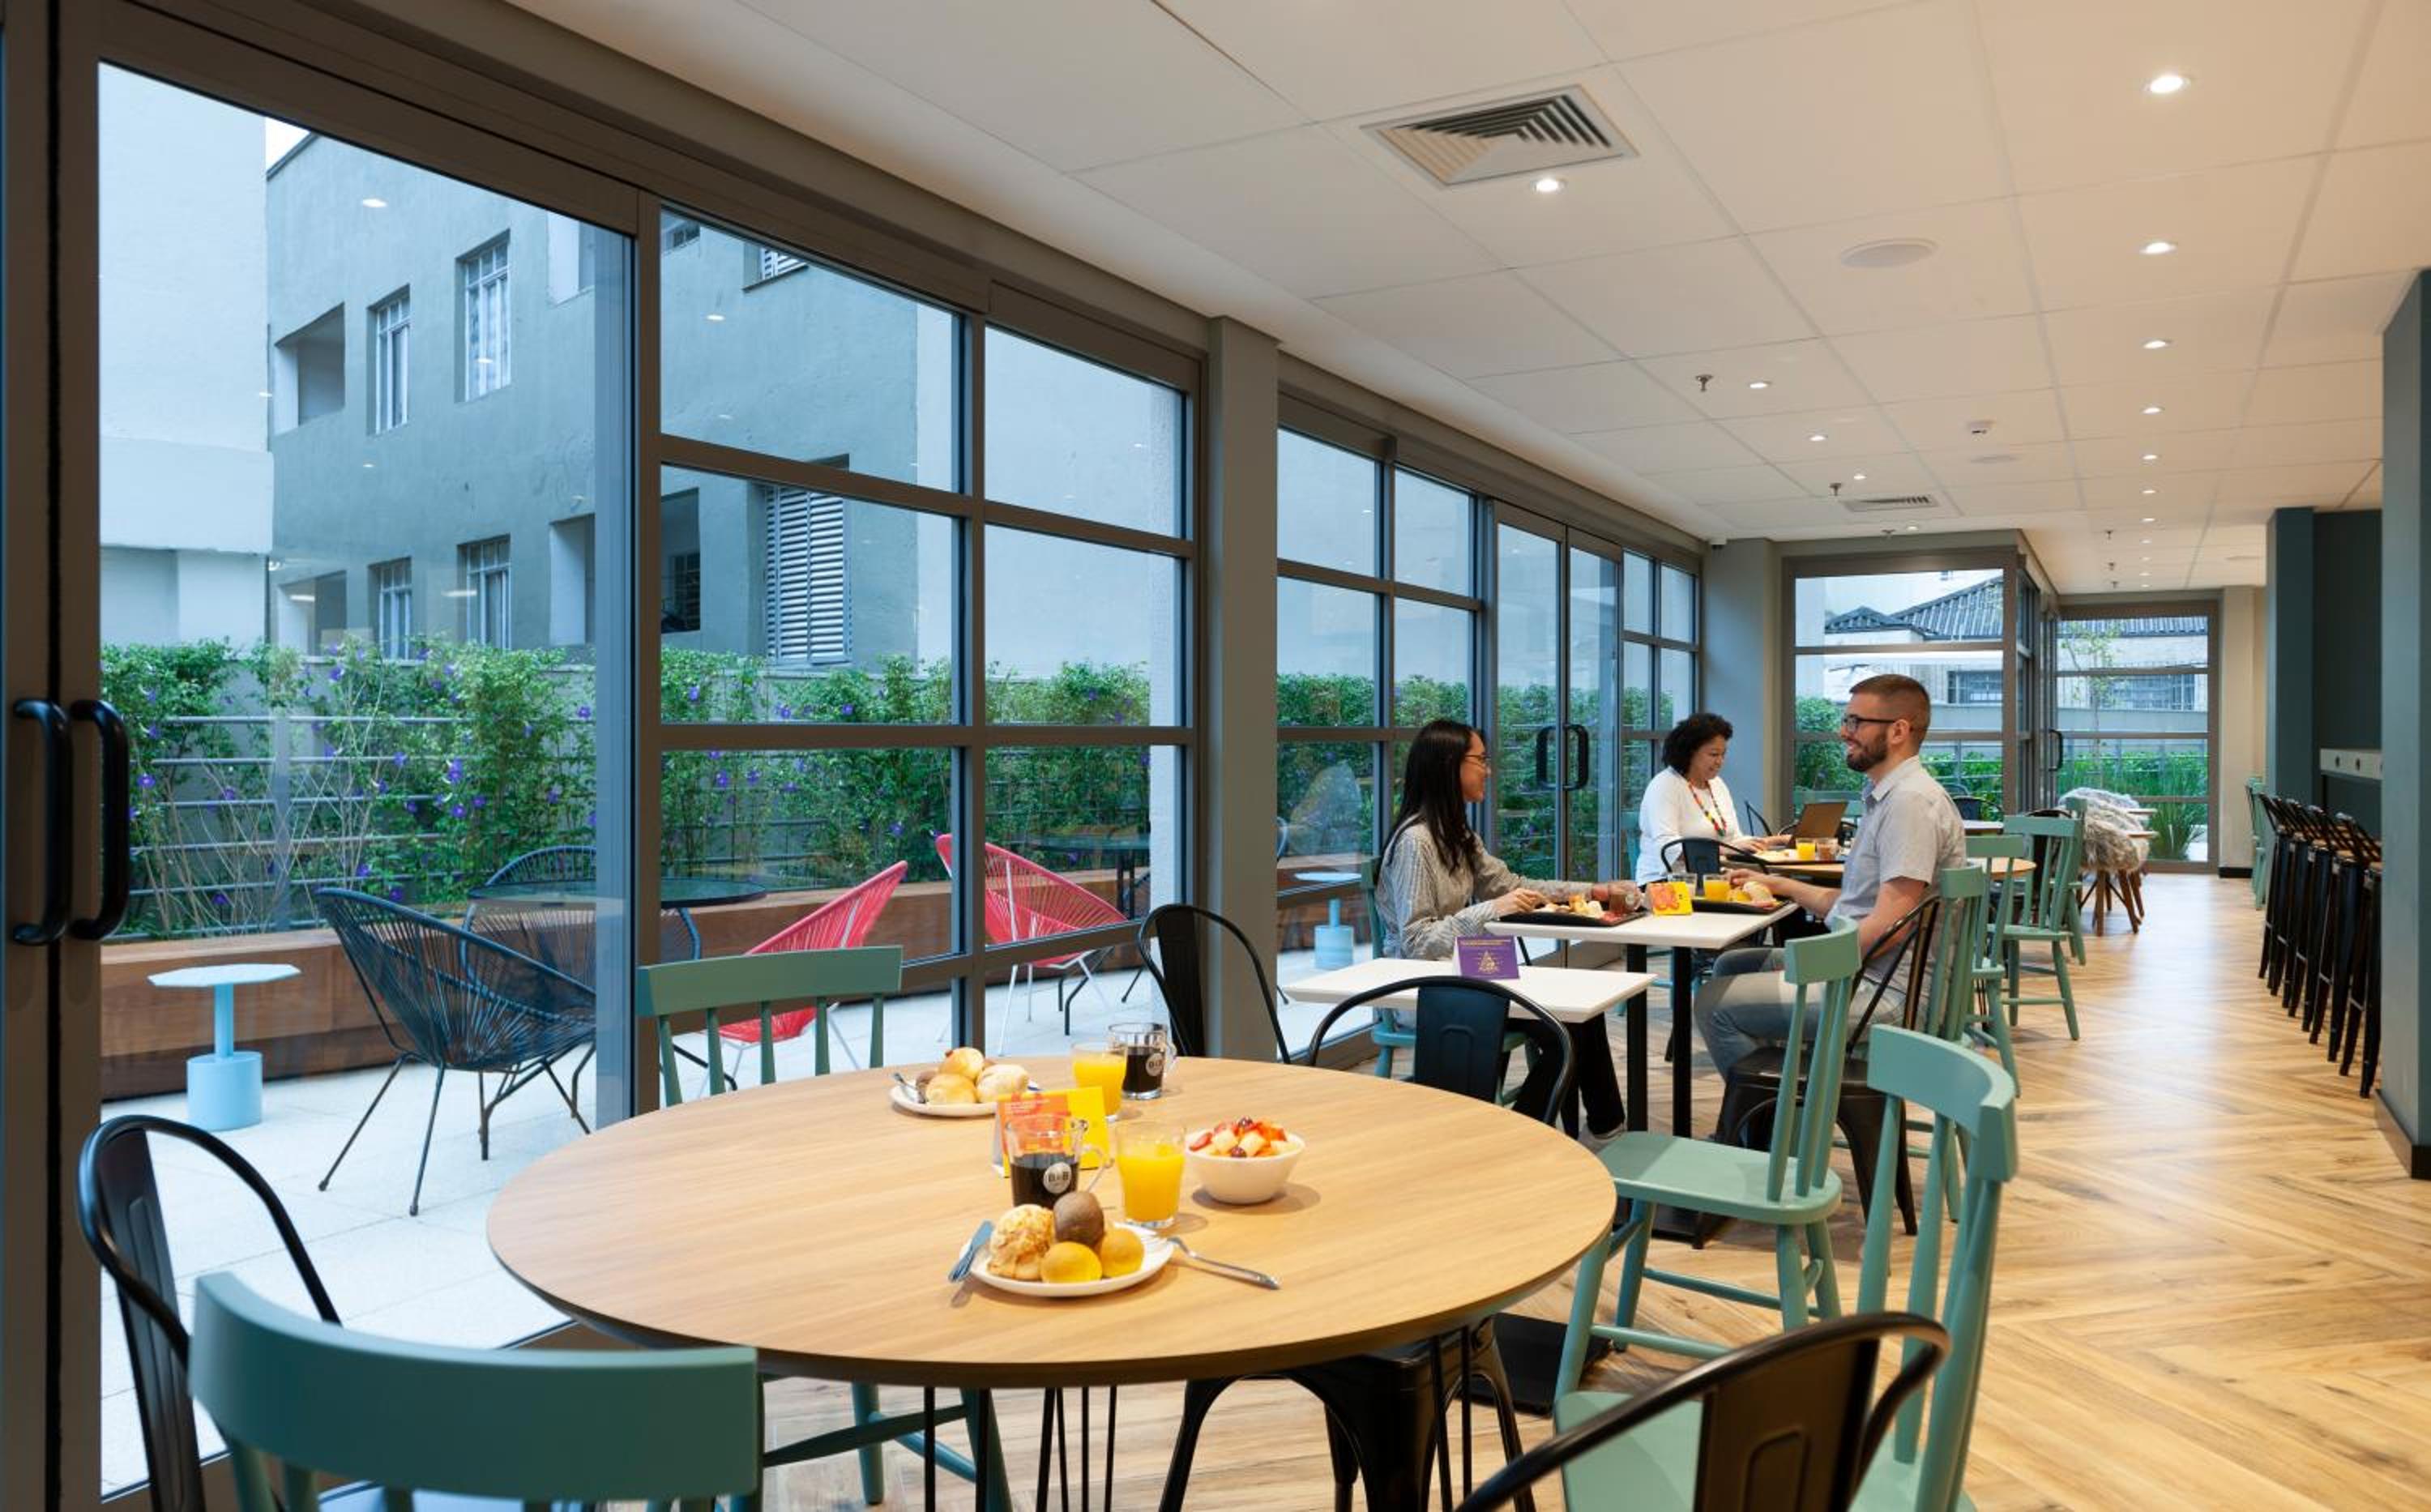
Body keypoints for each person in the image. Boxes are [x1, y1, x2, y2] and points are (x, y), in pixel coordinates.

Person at [1694, 674, 1967, 1084]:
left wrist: (1814, 962)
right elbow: (1860, 907)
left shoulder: (1910, 803)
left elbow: (1890, 926)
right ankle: (1782, 1096)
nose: (1843, 732)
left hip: (1887, 991)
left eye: (1856, 722)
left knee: (1714, 1004)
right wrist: (1782, 886)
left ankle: (1779, 1114)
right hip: (1870, 972)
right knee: (1734, 964)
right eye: (1846, 720)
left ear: (1898, 731)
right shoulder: (1892, 796)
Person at [1378, 719, 1643, 1138]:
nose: (1488, 770)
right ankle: (1523, 1135)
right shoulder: (1417, 842)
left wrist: (1595, 891)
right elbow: (1417, 941)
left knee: (1582, 1012)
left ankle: (1608, 1127)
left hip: (1465, 972)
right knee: (1566, 1029)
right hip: (1424, 989)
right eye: (1480, 760)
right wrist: (1489, 911)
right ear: (1449, 766)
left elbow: (1514, 886)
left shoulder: (1456, 832)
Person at [1634, 711, 1779, 886]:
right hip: (1667, 883)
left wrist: (1776, 841)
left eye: (1723, 755)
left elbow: (1733, 840)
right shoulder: (1665, 785)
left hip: (1712, 878)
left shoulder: (1717, 784)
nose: (1720, 761)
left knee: (1777, 892)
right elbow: (1668, 847)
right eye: (1714, 754)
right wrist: (1725, 850)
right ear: (1689, 752)